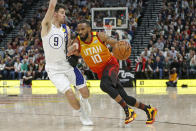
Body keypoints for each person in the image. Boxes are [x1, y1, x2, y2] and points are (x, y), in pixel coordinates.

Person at [68, 20, 157, 124]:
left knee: (104, 86)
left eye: (82, 29)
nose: (80, 32)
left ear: (89, 29)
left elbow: (116, 43)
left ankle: (128, 111)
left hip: (110, 64)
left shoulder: (99, 36)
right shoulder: (78, 41)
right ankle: (149, 110)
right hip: (101, 72)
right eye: (78, 30)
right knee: (125, 97)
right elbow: (73, 49)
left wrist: (123, 47)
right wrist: (71, 49)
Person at [41, 0, 92, 125]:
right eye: (62, 13)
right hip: (54, 69)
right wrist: (53, 5)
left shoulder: (66, 29)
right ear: (55, 14)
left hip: (67, 65)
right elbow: (52, 5)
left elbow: (66, 49)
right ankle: (82, 114)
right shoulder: (47, 26)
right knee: (69, 92)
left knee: (85, 93)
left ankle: (84, 101)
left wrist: (74, 46)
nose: (65, 15)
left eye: (65, 13)